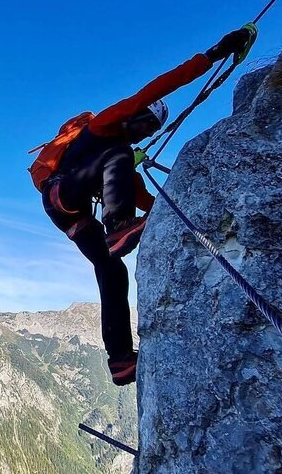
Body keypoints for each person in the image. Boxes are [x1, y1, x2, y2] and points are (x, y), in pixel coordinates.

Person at [36, 29, 254, 386]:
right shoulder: (105, 128)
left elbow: (143, 199)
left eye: (151, 128)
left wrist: (171, 215)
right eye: (146, 123)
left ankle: (121, 360)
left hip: (69, 213)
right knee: (120, 157)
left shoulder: (118, 159)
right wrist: (211, 56)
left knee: (112, 270)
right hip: (63, 193)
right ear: (136, 116)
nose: (145, 133)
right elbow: (155, 89)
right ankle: (118, 227)